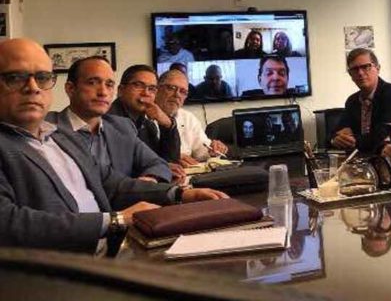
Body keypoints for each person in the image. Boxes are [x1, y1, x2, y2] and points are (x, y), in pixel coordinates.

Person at [0, 38, 227, 253]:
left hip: (116, 247)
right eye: (15, 78)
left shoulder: (61, 137)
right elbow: (9, 223)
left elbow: (112, 185)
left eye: (42, 78)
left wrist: (180, 194)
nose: (33, 88)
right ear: (70, 89)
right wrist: (116, 220)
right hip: (66, 268)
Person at [47, 58, 173, 183]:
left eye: (109, 85)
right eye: (92, 82)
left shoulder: (122, 127)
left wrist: (149, 179)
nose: (103, 92)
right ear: (70, 88)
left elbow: (158, 164)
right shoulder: (45, 127)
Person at [332, 48, 391, 154]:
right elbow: (335, 132)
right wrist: (336, 139)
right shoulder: (352, 101)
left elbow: (384, 136)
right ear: (350, 75)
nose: (360, 73)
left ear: (378, 68)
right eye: (355, 69)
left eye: (366, 67)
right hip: (362, 160)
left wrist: (353, 140)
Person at [108, 64, 181, 163]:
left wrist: (168, 125)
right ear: (121, 90)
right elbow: (118, 165)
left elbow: (171, 160)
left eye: (151, 89)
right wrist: (158, 166)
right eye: (138, 85)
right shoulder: (108, 121)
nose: (146, 93)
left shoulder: (148, 125)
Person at [155, 69, 228, 166]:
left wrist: (213, 149)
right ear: (157, 88)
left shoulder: (188, 118)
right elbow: (140, 156)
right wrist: (172, 157)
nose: (177, 95)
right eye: (171, 88)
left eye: (183, 92)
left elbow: (201, 150)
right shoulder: (143, 117)